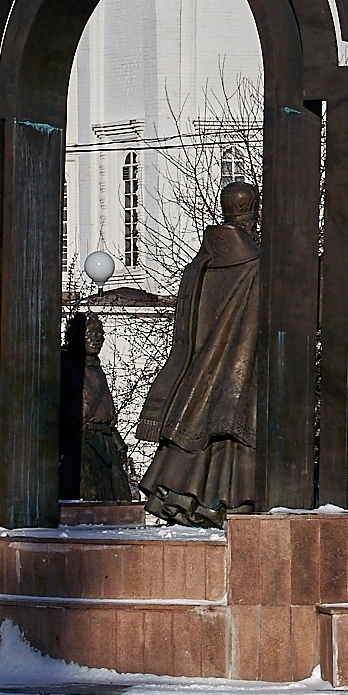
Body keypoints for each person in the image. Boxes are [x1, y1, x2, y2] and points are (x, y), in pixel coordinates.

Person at [136, 181, 263, 525]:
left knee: (199, 438)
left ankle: (186, 501)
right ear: (254, 213)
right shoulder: (256, 266)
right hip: (240, 371)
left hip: (197, 374)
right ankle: (227, 505)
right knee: (233, 439)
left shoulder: (200, 265)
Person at [77, 315, 135, 503]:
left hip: (106, 442)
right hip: (85, 443)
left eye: (100, 334)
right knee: (93, 497)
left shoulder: (98, 370)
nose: (96, 338)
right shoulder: (71, 369)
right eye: (89, 334)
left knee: (120, 497)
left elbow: (107, 413)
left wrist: (118, 442)